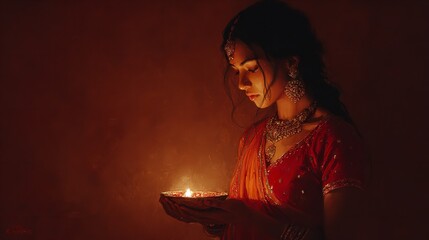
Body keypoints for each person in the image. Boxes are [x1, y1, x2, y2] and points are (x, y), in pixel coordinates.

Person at [160, 1, 368, 239]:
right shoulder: (251, 138)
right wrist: (215, 219)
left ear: (291, 62)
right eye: (237, 70)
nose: (241, 83)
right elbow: (240, 228)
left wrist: (245, 217)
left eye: (252, 68)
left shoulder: (333, 139)